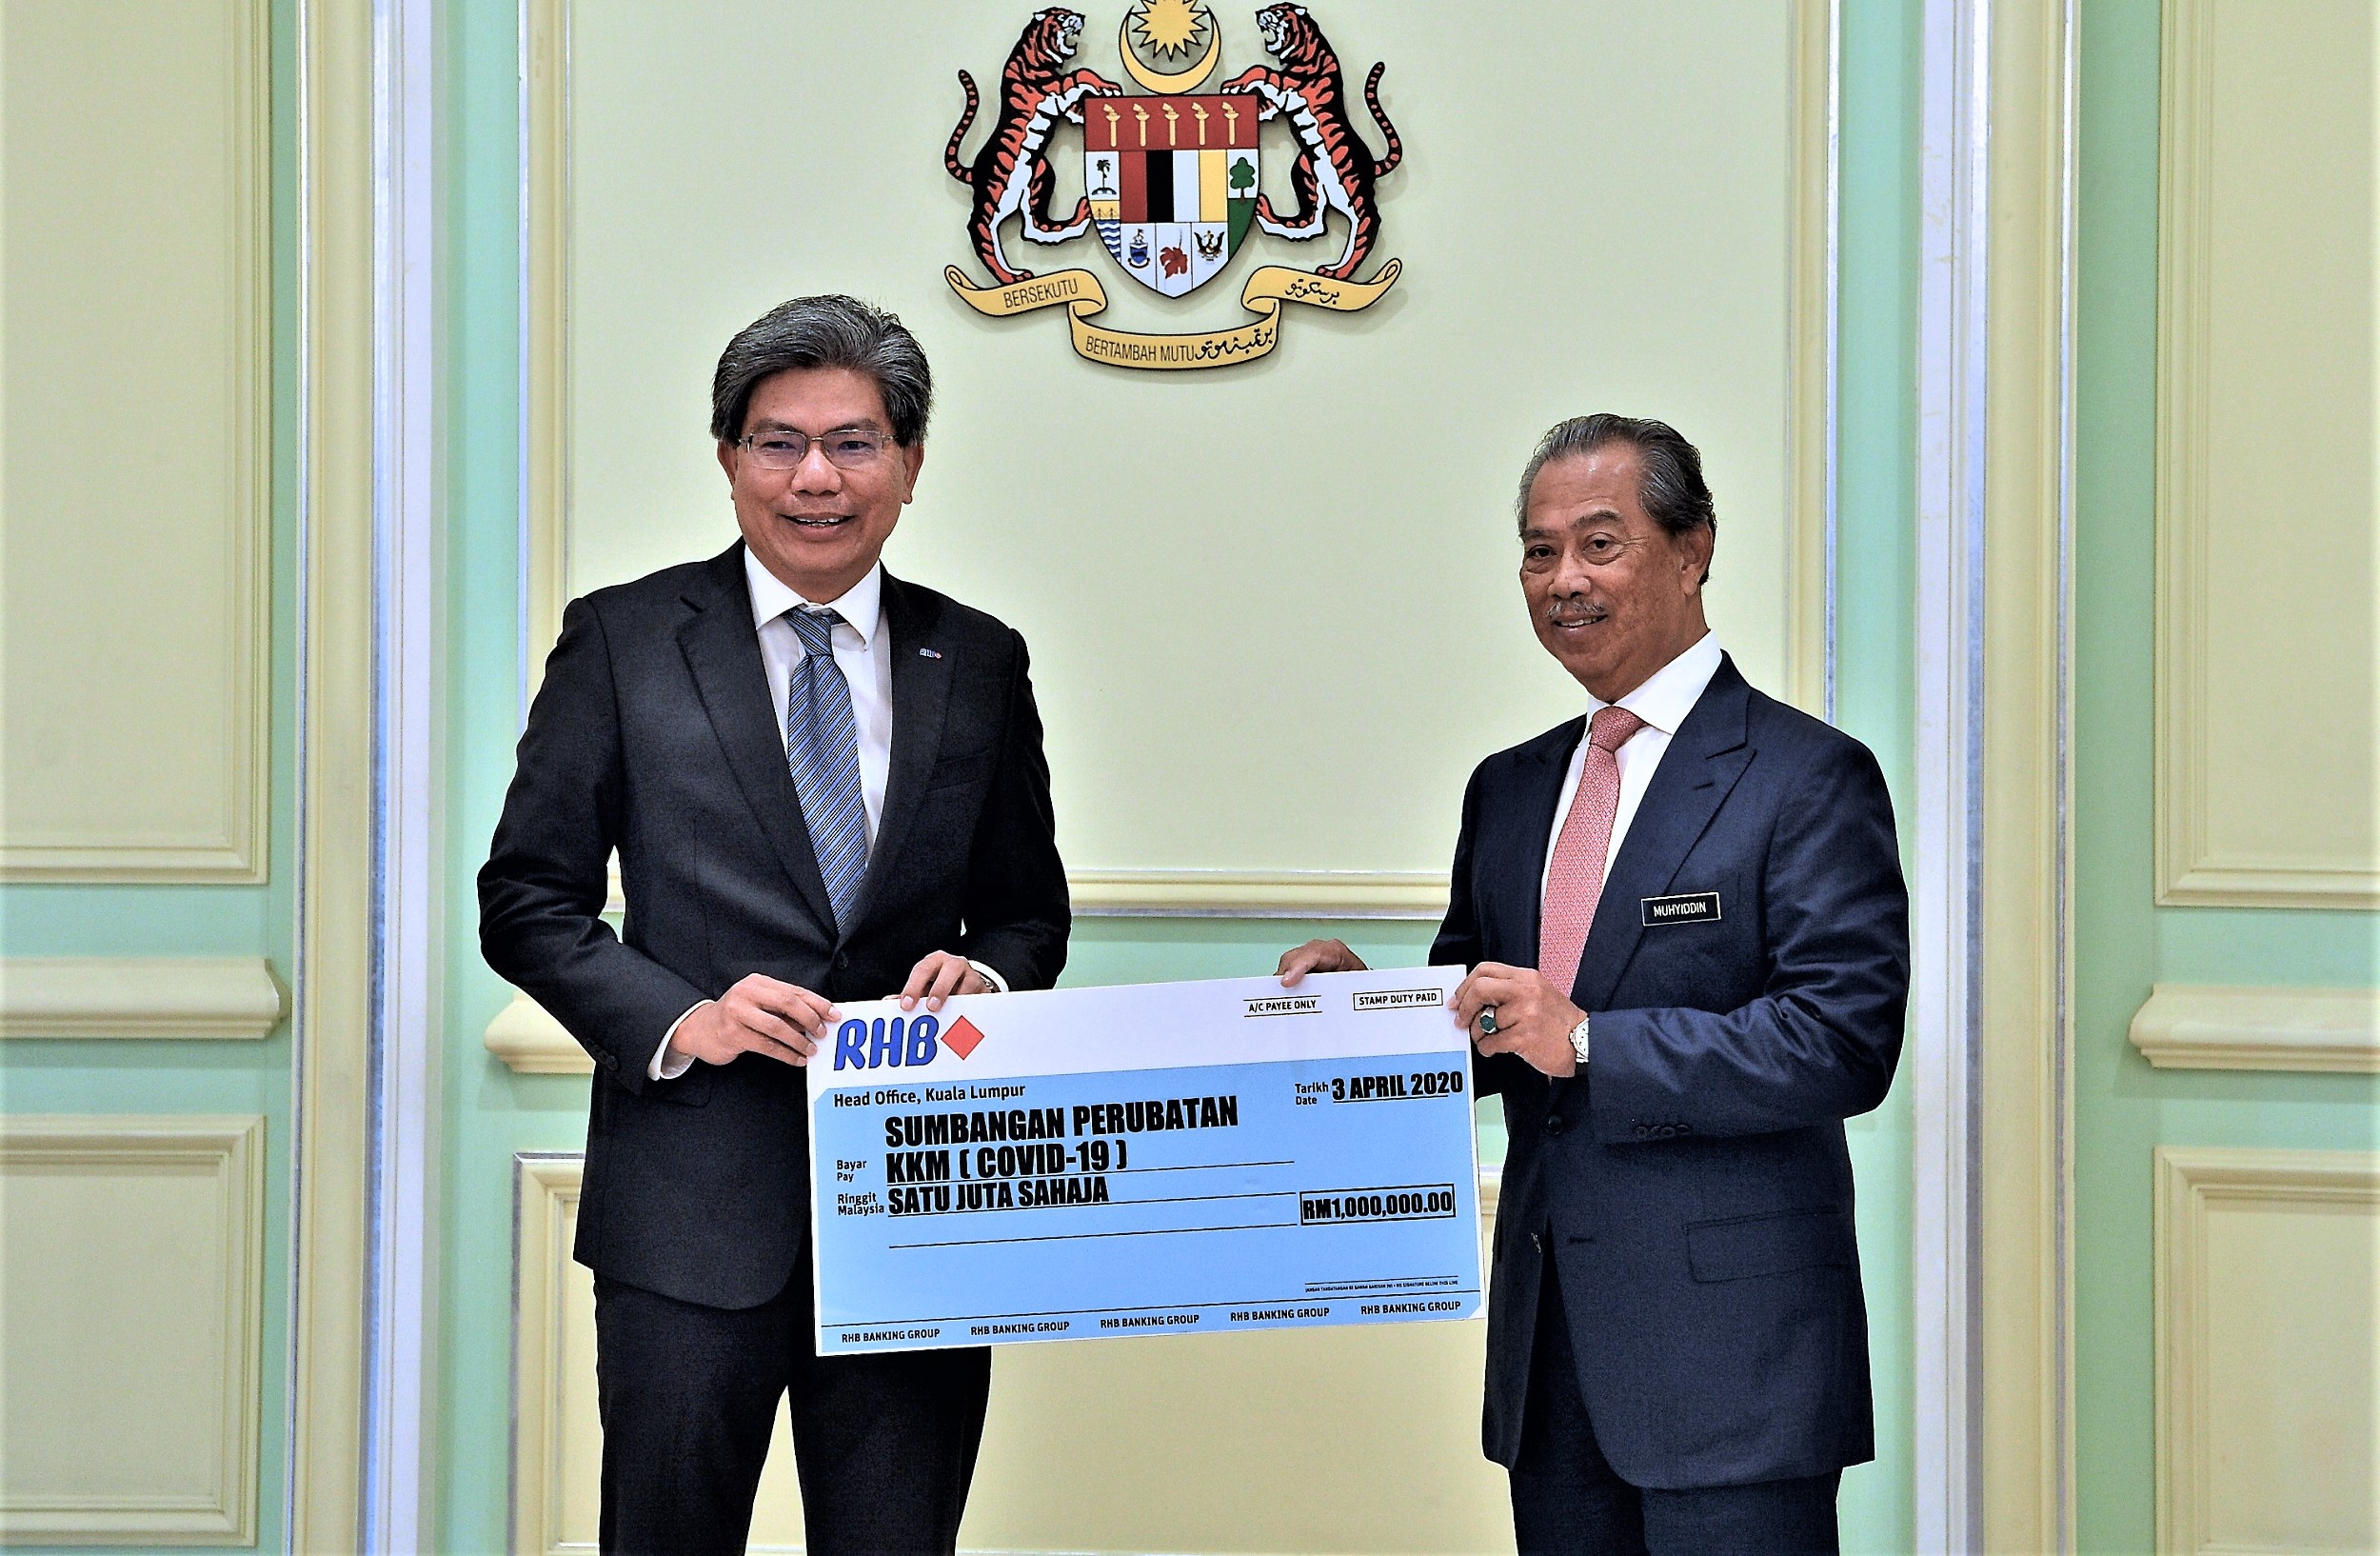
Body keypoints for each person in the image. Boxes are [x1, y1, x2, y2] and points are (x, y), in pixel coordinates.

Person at [480, 295, 1069, 1556]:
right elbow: (526, 898)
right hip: (688, 1218)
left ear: (909, 462)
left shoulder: (979, 658)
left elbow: (1028, 912)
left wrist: (988, 975)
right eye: (778, 442)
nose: (816, 477)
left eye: (854, 443)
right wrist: (686, 1016)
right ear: (728, 457)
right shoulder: (625, 640)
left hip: (917, 1211)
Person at [1279, 415, 1907, 1555]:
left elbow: (1841, 1041)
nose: (1562, 578)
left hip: (1735, 1365)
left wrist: (1591, 1042)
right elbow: (1488, 1018)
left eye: (1599, 543)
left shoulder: (1807, 775)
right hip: (1551, 1359)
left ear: (1691, 549)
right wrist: (1367, 1013)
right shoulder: (1509, 787)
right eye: (1538, 550)